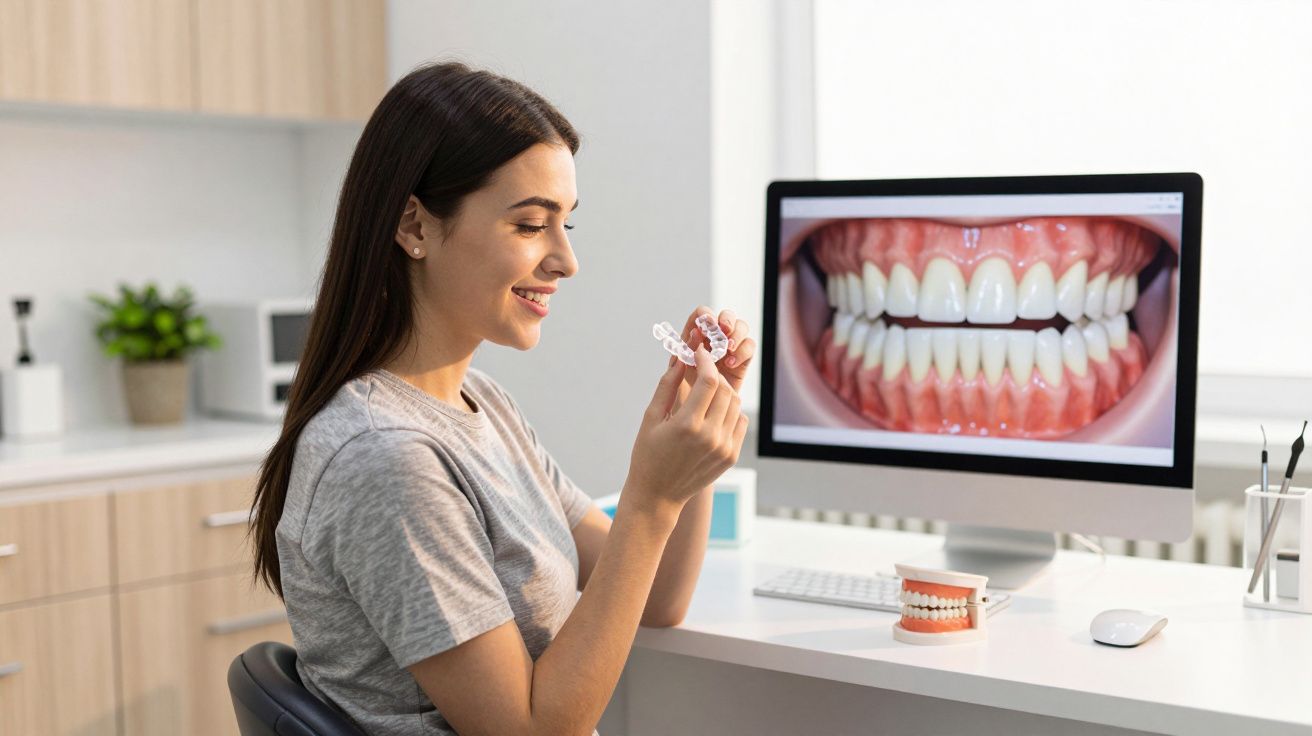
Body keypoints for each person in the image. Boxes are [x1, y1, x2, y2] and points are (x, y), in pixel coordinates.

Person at [248, 60, 754, 736]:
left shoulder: (481, 404)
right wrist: (650, 497)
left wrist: (691, 450)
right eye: (528, 225)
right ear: (415, 227)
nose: (565, 261)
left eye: (566, 224)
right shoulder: (389, 462)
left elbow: (657, 598)